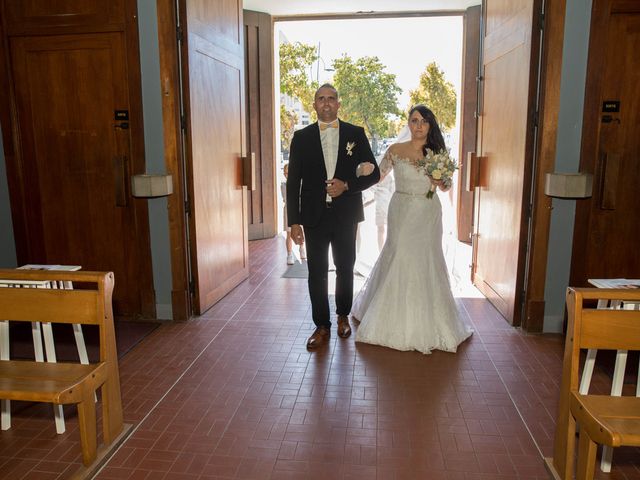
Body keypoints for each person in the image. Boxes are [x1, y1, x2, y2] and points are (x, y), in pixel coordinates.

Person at [351, 105, 473, 354]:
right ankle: (389, 315)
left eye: (424, 121)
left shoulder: (438, 153)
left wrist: (441, 179)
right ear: (408, 123)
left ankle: (431, 320)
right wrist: (357, 170)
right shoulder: (395, 150)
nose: (418, 126)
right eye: (414, 120)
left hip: (427, 212)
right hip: (402, 210)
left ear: (430, 126)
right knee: (400, 255)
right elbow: (378, 175)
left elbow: (446, 187)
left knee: (426, 259)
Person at [287, 83, 380, 349]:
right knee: (316, 272)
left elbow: (374, 174)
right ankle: (321, 325)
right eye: (321, 99)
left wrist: (347, 185)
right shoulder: (301, 138)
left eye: (331, 98)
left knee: (344, 268)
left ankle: (342, 316)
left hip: (346, 214)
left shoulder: (355, 134)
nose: (326, 103)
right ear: (314, 104)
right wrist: (294, 222)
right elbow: (294, 182)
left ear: (339, 104)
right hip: (313, 216)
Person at [281, 162, 306, 265]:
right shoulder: (283, 185)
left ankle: (301, 248)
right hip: (288, 210)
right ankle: (289, 254)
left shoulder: (300, 184)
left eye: (289, 173)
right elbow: (285, 198)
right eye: (286, 173)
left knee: (302, 230)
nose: (288, 175)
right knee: (288, 233)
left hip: (300, 209)